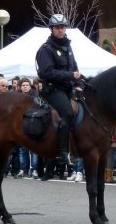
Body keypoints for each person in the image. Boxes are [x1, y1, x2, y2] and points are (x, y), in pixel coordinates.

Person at [35, 14, 82, 166]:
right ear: (51, 29)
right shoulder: (46, 49)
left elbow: (74, 68)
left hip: (67, 88)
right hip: (53, 89)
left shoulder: (68, 47)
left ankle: (76, 147)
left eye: (63, 27)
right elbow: (47, 72)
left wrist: (79, 82)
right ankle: (62, 152)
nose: (61, 30)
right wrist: (70, 75)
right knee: (67, 112)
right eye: (58, 27)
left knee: (83, 107)